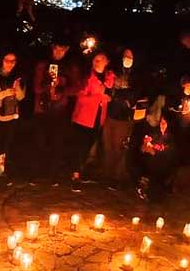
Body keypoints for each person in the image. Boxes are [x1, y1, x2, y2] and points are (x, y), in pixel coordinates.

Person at [31, 37, 79, 180]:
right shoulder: (43, 64)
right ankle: (37, 173)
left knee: (57, 142)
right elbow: (37, 88)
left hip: (60, 110)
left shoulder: (70, 67)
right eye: (57, 49)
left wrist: (61, 87)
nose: (59, 52)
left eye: (62, 50)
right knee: (40, 141)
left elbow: (76, 88)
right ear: (52, 48)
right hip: (42, 109)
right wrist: (49, 84)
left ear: (67, 50)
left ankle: (54, 175)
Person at [69, 52, 115, 190]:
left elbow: (109, 95)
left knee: (90, 146)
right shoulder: (87, 77)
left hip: (98, 117)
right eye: (95, 59)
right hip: (84, 117)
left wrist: (107, 98)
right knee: (80, 146)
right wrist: (99, 97)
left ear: (107, 61)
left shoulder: (110, 77)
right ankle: (75, 175)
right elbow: (81, 97)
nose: (97, 62)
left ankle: (83, 171)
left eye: (100, 59)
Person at [103, 48, 143, 186]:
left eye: (130, 56)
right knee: (108, 146)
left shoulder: (137, 76)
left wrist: (118, 96)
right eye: (126, 55)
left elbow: (133, 95)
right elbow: (108, 89)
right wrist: (116, 95)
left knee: (119, 147)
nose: (127, 58)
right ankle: (108, 175)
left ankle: (116, 177)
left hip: (124, 118)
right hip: (110, 114)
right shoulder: (115, 72)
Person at [0, 51, 25, 168]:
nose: (10, 64)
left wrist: (17, 88)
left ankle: (2, 170)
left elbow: (21, 97)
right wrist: (4, 93)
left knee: (7, 145)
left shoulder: (18, 76)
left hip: (11, 116)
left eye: (12, 61)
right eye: (7, 61)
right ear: (2, 60)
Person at [132, 103, 176, 202]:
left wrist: (153, 151)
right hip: (150, 162)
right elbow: (143, 149)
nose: (162, 125)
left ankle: (154, 190)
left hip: (163, 165)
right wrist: (145, 144)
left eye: (164, 123)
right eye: (161, 122)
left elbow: (168, 154)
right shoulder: (156, 134)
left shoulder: (171, 138)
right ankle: (142, 185)